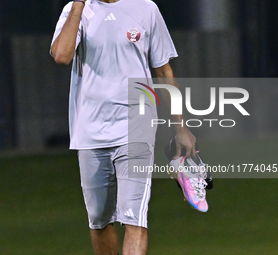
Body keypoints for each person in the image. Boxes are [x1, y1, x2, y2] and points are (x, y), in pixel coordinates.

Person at [50, 0, 200, 254]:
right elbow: (62, 56)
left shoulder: (146, 8)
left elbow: (163, 70)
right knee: (99, 220)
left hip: (136, 126)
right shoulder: (75, 10)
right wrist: (78, 6)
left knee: (134, 217)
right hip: (90, 130)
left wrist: (181, 127)